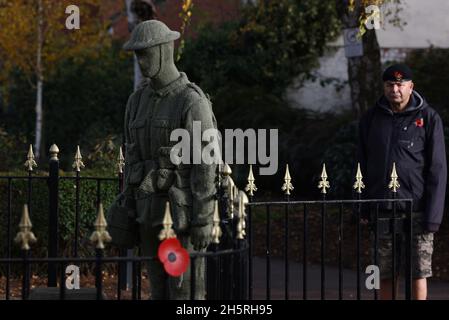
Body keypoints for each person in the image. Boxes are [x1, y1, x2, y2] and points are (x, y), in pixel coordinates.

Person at [110, 20, 217, 300]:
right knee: (157, 291)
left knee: (185, 293)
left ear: (164, 51)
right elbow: (132, 158)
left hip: (180, 219)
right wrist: (128, 205)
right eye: (137, 54)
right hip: (147, 216)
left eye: (145, 53)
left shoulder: (190, 101)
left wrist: (203, 219)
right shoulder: (136, 102)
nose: (141, 61)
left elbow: (205, 164)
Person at [357, 64, 447, 300]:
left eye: (400, 84)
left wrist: (433, 216)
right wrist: (364, 205)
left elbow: (438, 169)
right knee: (383, 272)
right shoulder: (371, 118)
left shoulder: (428, 118)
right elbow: (361, 165)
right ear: (384, 87)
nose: (395, 89)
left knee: (418, 272)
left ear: (410, 86)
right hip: (382, 209)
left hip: (416, 210)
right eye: (389, 85)